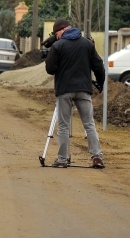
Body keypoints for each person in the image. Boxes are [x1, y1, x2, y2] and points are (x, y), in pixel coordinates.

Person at [44, 18, 106, 168]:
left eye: (55, 33)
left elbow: (50, 69)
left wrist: (53, 54)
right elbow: (99, 66)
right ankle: (97, 157)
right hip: (84, 89)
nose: (55, 36)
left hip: (64, 90)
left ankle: (62, 159)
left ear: (61, 31)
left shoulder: (58, 46)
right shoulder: (87, 44)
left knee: (64, 125)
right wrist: (100, 83)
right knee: (89, 124)